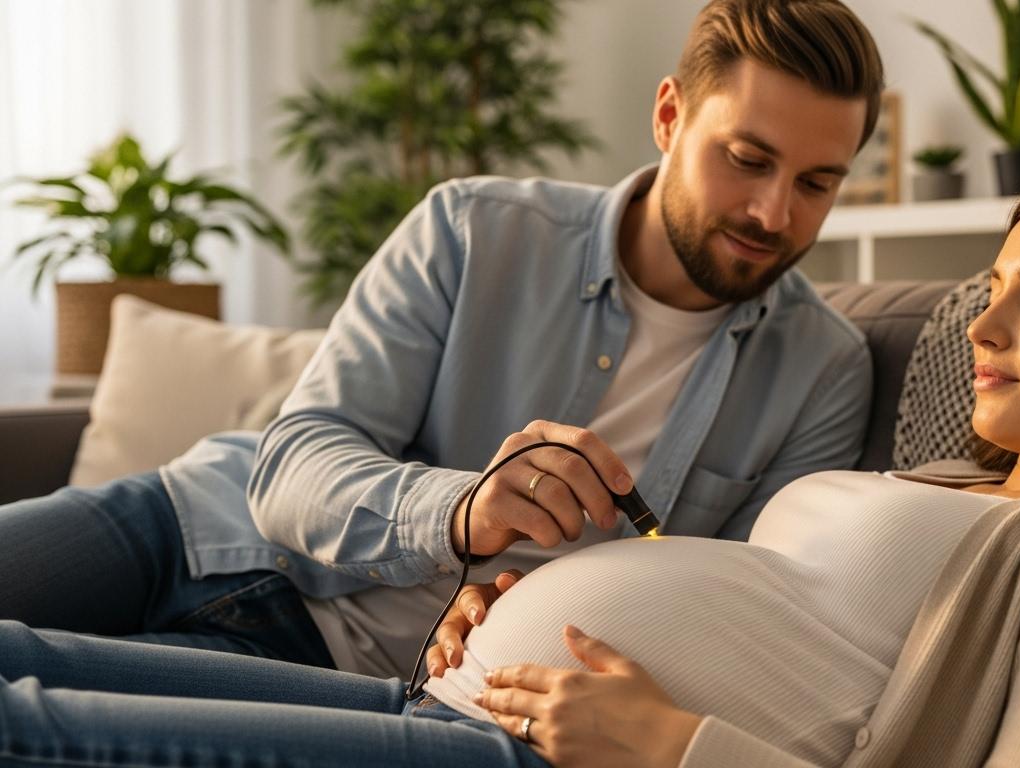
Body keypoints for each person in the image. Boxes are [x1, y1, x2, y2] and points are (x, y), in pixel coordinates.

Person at [0, 171, 1020, 767]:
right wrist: (515, 598)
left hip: (531, 762)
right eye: (992, 289)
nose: (981, 327)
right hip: (444, 698)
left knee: (33, 726)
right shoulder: (945, 480)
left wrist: (677, 747)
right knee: (22, 657)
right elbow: (748, 605)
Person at [0, 0, 883, 677]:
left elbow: (739, 615)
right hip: (196, 526)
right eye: (747, 160)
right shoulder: (473, 228)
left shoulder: (823, 369)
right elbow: (292, 462)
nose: (775, 214)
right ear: (668, 118)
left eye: (817, 183)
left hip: (340, 671)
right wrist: (462, 510)